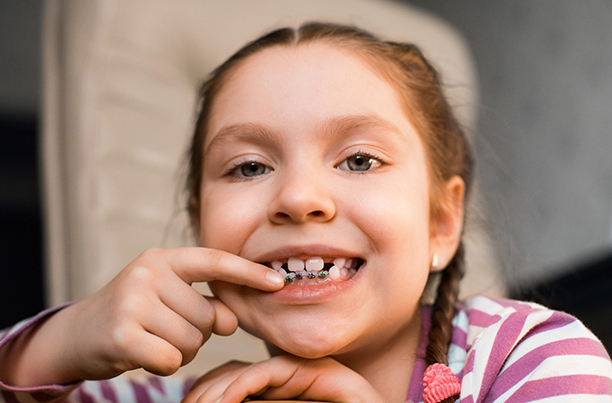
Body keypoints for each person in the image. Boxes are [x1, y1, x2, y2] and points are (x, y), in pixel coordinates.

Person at [1, 22, 611, 403]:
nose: (298, 198)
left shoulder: (535, 357)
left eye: (360, 160)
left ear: (441, 224)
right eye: (248, 168)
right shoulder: (167, 394)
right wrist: (58, 343)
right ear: (200, 228)